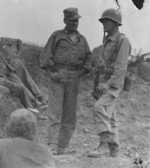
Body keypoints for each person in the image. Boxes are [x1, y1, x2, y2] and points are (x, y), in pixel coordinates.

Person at [40, 7, 91, 155]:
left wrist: (82, 72)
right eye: (72, 20)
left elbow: (89, 57)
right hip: (58, 75)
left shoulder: (82, 39)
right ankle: (52, 144)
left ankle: (62, 146)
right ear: (65, 21)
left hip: (74, 77)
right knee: (55, 112)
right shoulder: (57, 36)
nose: (75, 23)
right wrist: (51, 73)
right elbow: (45, 56)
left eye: (77, 20)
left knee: (69, 114)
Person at [88, 8, 131, 157]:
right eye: (103, 21)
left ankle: (103, 145)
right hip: (105, 81)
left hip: (114, 84)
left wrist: (107, 85)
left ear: (115, 23)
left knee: (99, 108)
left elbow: (120, 69)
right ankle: (113, 149)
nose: (103, 24)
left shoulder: (122, 41)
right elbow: (104, 65)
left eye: (106, 21)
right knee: (110, 114)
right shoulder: (107, 41)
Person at [0, 37, 47, 109]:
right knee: (19, 84)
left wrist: (17, 54)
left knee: (28, 80)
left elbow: (19, 43)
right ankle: (34, 101)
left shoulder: (13, 37)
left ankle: (40, 97)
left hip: (16, 63)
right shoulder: (2, 40)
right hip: (6, 68)